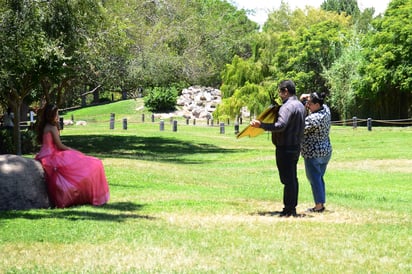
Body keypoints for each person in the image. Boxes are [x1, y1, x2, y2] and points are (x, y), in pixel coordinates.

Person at [35, 104, 110, 208]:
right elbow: (60, 145)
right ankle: (83, 194)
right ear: (52, 115)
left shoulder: (46, 126)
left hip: (44, 154)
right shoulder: (52, 127)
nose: (58, 115)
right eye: (56, 113)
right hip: (51, 155)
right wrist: (73, 150)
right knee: (92, 163)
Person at [250, 80, 305, 217]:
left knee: (287, 179)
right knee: (292, 178)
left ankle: (289, 209)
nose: (279, 95)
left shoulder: (286, 107)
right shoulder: (300, 106)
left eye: (280, 92)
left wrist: (261, 125)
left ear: (286, 91)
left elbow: (280, 125)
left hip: (285, 147)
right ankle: (291, 207)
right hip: (296, 146)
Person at [300, 92, 332, 213]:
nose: (307, 105)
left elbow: (300, 127)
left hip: (313, 153)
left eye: (309, 103)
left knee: (314, 179)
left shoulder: (314, 119)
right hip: (326, 151)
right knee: (319, 178)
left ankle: (319, 206)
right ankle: (321, 203)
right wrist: (308, 96)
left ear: (317, 104)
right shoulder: (326, 110)